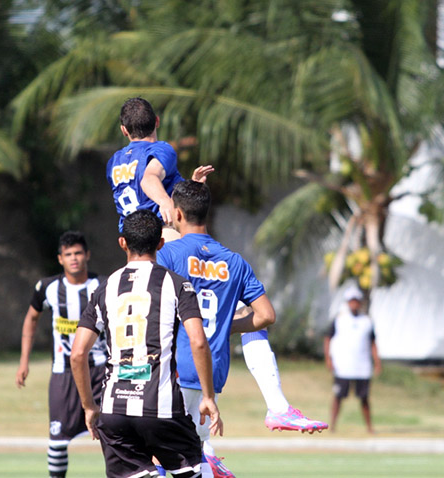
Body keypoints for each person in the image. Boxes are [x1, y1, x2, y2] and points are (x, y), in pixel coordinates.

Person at [157, 181, 326, 478]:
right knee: (195, 453)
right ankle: (271, 410)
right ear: (206, 214)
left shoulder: (169, 254)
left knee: (155, 457)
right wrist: (227, 327)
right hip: (212, 373)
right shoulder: (235, 262)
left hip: (175, 370)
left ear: (179, 214)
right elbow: (266, 316)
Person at [71, 209, 222, 478]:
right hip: (162, 409)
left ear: (122, 243)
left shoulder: (103, 289)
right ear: (161, 243)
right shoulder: (177, 285)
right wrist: (208, 397)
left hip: (114, 410)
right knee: (195, 470)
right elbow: (198, 342)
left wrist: (88, 406)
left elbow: (78, 354)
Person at [16, 231, 107, 478]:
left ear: (87, 255)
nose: (74, 258)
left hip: (101, 372)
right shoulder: (48, 288)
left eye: (78, 253)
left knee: (113, 435)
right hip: (63, 372)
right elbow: (31, 319)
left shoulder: (103, 286)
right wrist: (24, 361)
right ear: (60, 259)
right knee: (57, 439)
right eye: (68, 254)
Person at [106, 96, 214, 239]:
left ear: (124, 130)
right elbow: (149, 179)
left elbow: (141, 192)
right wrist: (164, 201)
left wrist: (193, 186)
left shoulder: (114, 161)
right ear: (157, 121)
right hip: (163, 233)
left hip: (133, 242)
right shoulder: (161, 149)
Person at [324, 284, 381, 434]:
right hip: (343, 365)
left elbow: (373, 342)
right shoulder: (339, 319)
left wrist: (377, 361)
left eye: (357, 300)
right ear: (347, 302)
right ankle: (333, 426)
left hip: (362, 366)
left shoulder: (367, 321)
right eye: (351, 301)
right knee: (338, 396)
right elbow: (328, 339)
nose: (354, 304)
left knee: (364, 398)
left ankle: (369, 427)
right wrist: (328, 358)